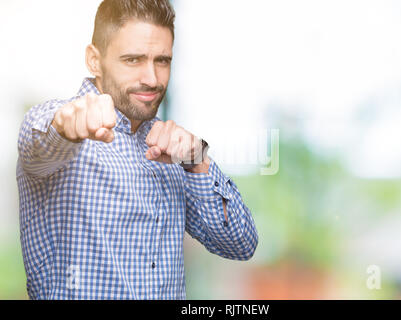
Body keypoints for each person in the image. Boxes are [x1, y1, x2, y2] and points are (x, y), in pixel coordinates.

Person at [16, 0, 258, 300]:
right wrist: (68, 124)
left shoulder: (172, 152)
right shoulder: (56, 125)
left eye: (162, 60)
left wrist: (198, 162)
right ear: (94, 59)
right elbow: (42, 140)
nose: (152, 79)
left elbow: (241, 244)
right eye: (133, 60)